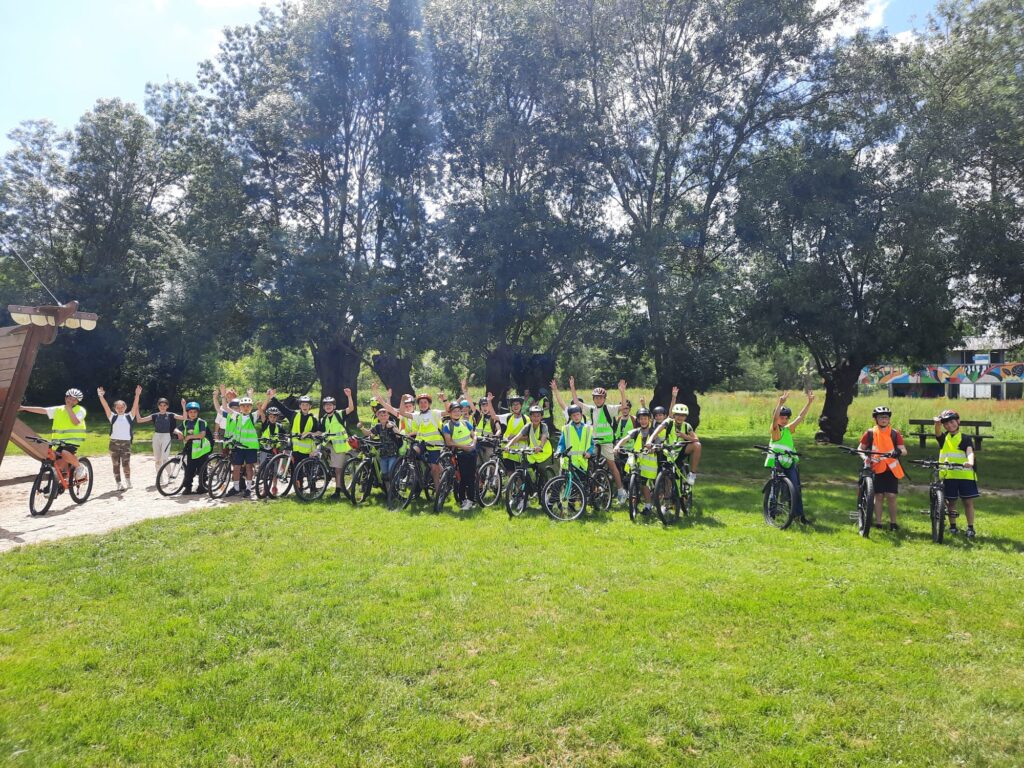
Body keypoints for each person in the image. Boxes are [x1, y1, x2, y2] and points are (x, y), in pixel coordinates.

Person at [555, 377, 629, 503]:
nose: (598, 399)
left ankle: (621, 490)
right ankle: (592, 490)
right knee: (589, 465)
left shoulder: (608, 409)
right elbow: (577, 403)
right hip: (594, 442)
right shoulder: (591, 409)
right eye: (596, 398)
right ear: (593, 399)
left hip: (606, 442)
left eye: (601, 397)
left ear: (604, 399)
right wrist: (572, 387)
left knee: (612, 466)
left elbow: (623, 406)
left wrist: (622, 392)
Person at [764, 390, 814, 524]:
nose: (784, 420)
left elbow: (800, 417)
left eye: (786, 418)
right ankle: (771, 514)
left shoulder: (788, 429)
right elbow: (774, 419)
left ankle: (799, 516)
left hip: (789, 462)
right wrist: (780, 403)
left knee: (796, 488)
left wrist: (809, 402)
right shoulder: (775, 430)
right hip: (777, 462)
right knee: (776, 488)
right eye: (782, 417)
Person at [18, 388, 89, 480]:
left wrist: (69, 409)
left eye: (74, 399)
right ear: (65, 398)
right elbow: (43, 410)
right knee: (57, 465)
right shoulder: (59, 409)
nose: (71, 401)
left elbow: (75, 422)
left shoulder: (80, 410)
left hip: (73, 440)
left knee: (64, 453)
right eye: (69, 398)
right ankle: (64, 479)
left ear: (77, 402)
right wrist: (24, 408)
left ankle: (79, 466)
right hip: (59, 441)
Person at [857, 405, 907, 531]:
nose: (884, 419)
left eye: (886, 417)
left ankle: (893, 523)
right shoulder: (870, 433)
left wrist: (898, 452)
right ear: (876, 419)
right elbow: (860, 448)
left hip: (891, 469)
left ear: (889, 419)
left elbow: (904, 450)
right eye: (881, 417)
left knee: (891, 496)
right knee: (878, 496)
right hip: (876, 468)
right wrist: (865, 458)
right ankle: (878, 523)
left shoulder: (895, 433)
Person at [934, 409, 979, 538]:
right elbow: (937, 432)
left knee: (968, 502)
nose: (949, 425)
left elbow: (970, 452)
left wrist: (970, 462)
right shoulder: (943, 438)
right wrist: (937, 424)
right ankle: (953, 526)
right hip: (949, 475)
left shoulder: (965, 438)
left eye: (952, 422)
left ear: (958, 421)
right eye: (946, 424)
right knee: (951, 502)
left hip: (965, 475)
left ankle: (970, 527)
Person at [96, 384, 142, 491]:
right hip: (114, 444)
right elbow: (105, 406)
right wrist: (101, 396)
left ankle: (128, 480)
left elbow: (135, 405)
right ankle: (118, 483)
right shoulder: (112, 417)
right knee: (115, 464)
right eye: (118, 407)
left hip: (126, 444)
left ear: (125, 408)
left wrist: (137, 395)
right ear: (115, 409)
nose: (120, 409)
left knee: (126, 463)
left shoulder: (130, 416)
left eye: (122, 407)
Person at [647, 400, 701, 485]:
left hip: (680, 451)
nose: (680, 417)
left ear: (686, 417)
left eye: (683, 415)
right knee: (666, 477)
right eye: (678, 414)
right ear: (674, 415)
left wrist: (685, 436)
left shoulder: (687, 426)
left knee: (697, 445)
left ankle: (692, 474)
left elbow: (696, 440)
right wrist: (649, 441)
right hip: (667, 450)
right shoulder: (668, 422)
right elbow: (656, 432)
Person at [613, 407, 657, 511]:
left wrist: (653, 449)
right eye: (641, 419)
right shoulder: (636, 431)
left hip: (649, 463)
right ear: (638, 420)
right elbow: (625, 439)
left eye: (645, 419)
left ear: (649, 419)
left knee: (645, 483)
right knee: (633, 479)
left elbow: (658, 443)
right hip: (637, 460)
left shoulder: (653, 432)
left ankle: (648, 505)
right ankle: (635, 498)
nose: (643, 421)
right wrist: (617, 446)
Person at [504, 405, 555, 484]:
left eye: (538, 416)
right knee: (524, 467)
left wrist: (540, 446)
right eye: (533, 416)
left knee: (542, 471)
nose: (536, 418)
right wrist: (508, 445)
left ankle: (546, 487)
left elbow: (544, 437)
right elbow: (517, 437)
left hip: (544, 454)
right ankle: (528, 486)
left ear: (541, 417)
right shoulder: (528, 426)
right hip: (533, 453)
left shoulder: (543, 426)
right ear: (530, 417)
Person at [223, 389, 260, 497]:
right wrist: (223, 395)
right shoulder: (237, 416)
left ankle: (248, 489)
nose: (246, 408)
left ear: (251, 407)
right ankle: (236, 488)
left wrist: (265, 397)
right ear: (240, 407)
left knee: (249, 467)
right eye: (243, 406)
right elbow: (225, 407)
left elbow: (261, 409)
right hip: (238, 446)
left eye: (248, 406)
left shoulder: (252, 416)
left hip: (250, 447)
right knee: (236, 467)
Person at [442, 400, 478, 510]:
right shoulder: (447, 426)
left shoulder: (466, 423)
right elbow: (449, 442)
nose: (457, 413)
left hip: (471, 452)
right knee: (463, 478)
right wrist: (463, 447)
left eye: (459, 411)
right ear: (450, 413)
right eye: (454, 411)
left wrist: (473, 444)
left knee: (470, 477)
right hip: (461, 454)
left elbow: (474, 435)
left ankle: (470, 500)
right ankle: (463, 499)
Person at [320, 390, 355, 498]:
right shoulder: (323, 419)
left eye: (330, 405)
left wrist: (349, 396)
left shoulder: (339, 414)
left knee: (338, 470)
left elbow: (351, 408)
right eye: (326, 405)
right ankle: (324, 470)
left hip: (340, 446)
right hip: (329, 444)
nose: (328, 407)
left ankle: (337, 491)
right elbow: (321, 432)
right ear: (323, 407)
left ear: (334, 407)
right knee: (316, 452)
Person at [136, 395, 184, 475]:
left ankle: (170, 475)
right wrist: (136, 409)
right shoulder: (154, 415)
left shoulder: (171, 415)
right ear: (158, 406)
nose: (162, 407)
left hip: (166, 436)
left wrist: (183, 406)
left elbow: (184, 417)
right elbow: (139, 420)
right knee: (157, 460)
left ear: (167, 406)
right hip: (156, 437)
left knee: (165, 458)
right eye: (160, 405)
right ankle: (159, 477)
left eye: (164, 405)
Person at [174, 401, 213, 494]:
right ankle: (188, 487)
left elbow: (202, 434)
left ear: (197, 413)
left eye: (195, 412)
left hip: (202, 450)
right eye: (190, 412)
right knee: (189, 470)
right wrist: (178, 432)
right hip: (191, 449)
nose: (193, 414)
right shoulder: (185, 422)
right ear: (187, 413)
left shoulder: (201, 422)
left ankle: (202, 486)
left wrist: (190, 437)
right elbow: (176, 429)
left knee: (202, 469)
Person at [361, 405, 403, 486]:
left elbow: (398, 435)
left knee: (391, 472)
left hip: (393, 453)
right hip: (383, 454)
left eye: (385, 415)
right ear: (378, 417)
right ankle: (388, 491)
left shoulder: (391, 424)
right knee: (385, 475)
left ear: (388, 416)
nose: (383, 417)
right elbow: (368, 433)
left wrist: (392, 427)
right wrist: (361, 428)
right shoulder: (378, 426)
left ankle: (395, 488)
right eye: (381, 415)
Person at [555, 404, 595, 475]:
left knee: (584, 481)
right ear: (570, 417)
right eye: (573, 415)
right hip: (569, 462)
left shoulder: (588, 428)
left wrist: (589, 452)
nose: (576, 417)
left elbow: (591, 444)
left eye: (578, 414)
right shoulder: (566, 429)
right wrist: (558, 451)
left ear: (581, 415)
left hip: (583, 462)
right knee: (567, 481)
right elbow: (562, 444)